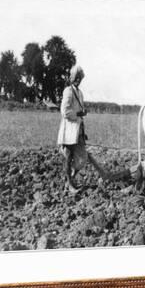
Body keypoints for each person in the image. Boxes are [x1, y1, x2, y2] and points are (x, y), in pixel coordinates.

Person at [57, 65, 89, 193]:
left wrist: (82, 114)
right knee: (68, 158)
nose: (78, 80)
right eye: (76, 77)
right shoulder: (68, 91)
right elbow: (64, 111)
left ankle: (70, 179)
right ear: (72, 77)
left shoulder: (80, 93)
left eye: (79, 78)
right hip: (69, 131)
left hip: (78, 130)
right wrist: (78, 114)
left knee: (82, 158)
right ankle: (69, 184)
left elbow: (78, 111)